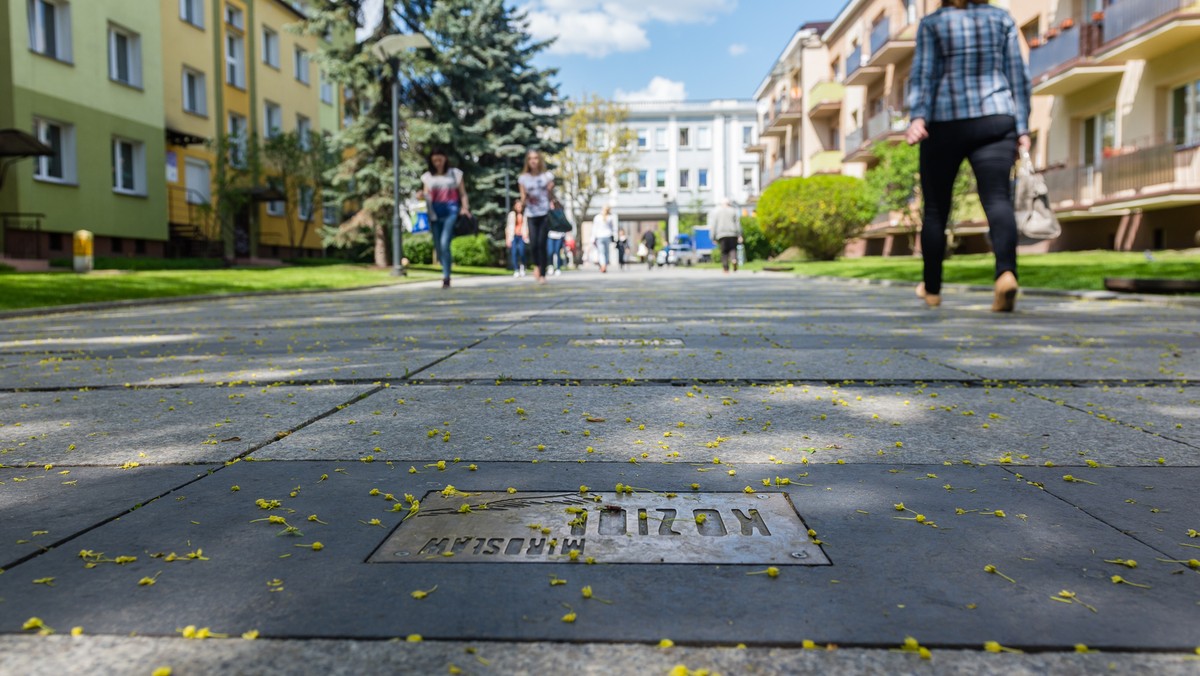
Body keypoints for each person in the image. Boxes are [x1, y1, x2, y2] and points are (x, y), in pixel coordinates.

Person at [906, 0, 1031, 312]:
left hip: (944, 122)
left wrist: (917, 116)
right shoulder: (1001, 18)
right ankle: (1005, 274)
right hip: (996, 118)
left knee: (935, 209)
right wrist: (1023, 126)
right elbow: (1017, 74)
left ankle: (932, 289)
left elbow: (924, 73)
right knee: (998, 199)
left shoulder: (933, 23)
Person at [418, 148, 470, 289]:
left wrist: (465, 208)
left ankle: (446, 277)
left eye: (440, 160)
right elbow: (426, 194)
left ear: (445, 159)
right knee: (438, 246)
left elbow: (463, 193)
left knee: (444, 242)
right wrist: (421, 196)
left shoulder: (455, 174)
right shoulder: (428, 177)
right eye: (435, 161)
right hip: (434, 213)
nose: (438, 163)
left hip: (451, 211)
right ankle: (445, 269)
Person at [517, 149, 557, 283]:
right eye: (530, 158)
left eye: (536, 158)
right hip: (531, 213)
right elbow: (523, 198)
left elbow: (551, 197)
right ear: (527, 161)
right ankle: (537, 265)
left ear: (540, 160)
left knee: (542, 243)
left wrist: (550, 190)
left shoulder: (547, 176)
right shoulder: (523, 178)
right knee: (534, 243)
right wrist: (521, 203)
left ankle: (542, 274)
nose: (533, 161)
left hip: (544, 212)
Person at [709, 198, 743, 273]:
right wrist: (740, 235)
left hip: (721, 234)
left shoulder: (717, 212)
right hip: (732, 233)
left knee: (724, 251)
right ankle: (734, 260)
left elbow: (713, 225)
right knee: (733, 249)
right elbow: (738, 224)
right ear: (729, 203)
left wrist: (713, 237)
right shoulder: (733, 211)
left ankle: (725, 268)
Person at [505, 198, 528, 277]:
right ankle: (516, 269)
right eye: (517, 206)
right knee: (514, 253)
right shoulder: (511, 215)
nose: (519, 207)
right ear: (514, 206)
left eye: (520, 206)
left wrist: (526, 235)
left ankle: (522, 266)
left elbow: (527, 226)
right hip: (513, 236)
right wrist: (507, 238)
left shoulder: (525, 215)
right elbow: (508, 227)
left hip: (522, 236)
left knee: (522, 252)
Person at [592, 205, 616, 273]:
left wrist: (593, 238)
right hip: (607, 236)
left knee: (601, 252)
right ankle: (604, 265)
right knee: (606, 252)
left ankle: (603, 265)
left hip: (599, 237)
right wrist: (614, 236)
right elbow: (613, 228)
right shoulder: (610, 217)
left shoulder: (597, 217)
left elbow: (594, 229)